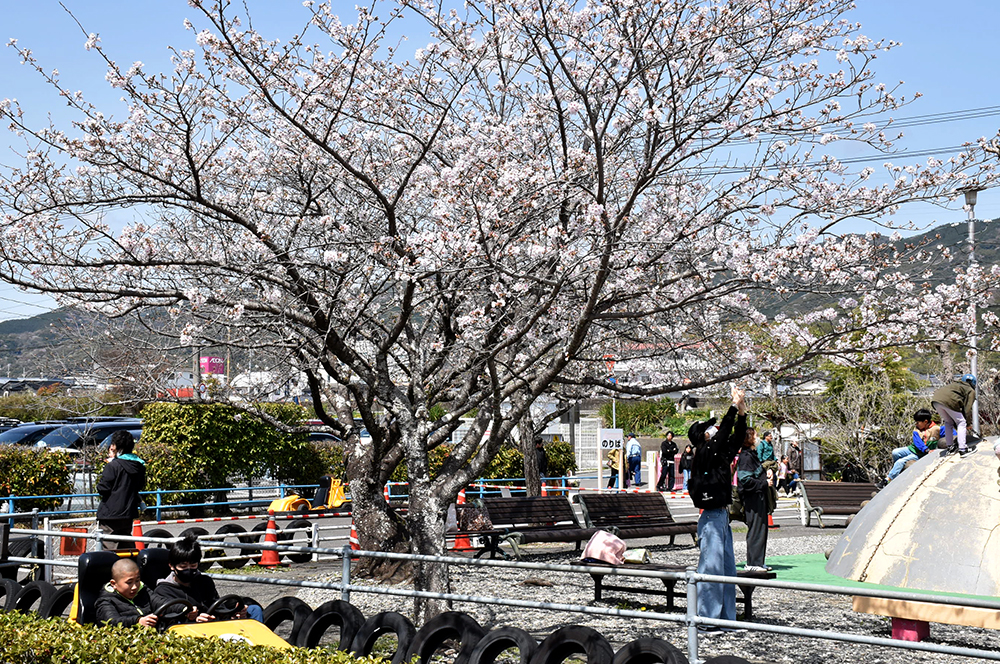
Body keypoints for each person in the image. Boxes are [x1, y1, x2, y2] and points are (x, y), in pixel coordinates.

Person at [687, 385, 748, 632]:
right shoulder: (704, 452)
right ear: (703, 436)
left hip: (722, 516)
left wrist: (741, 413)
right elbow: (724, 432)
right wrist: (733, 406)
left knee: (727, 570)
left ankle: (725, 619)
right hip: (711, 517)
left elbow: (736, 437)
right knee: (711, 569)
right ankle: (706, 620)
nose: (714, 430)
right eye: (709, 429)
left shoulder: (718, 454)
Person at [151, 535, 263, 622]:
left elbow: (217, 606)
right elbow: (170, 620)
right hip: (188, 630)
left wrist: (234, 613)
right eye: (183, 567)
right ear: (172, 566)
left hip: (214, 623)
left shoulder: (204, 582)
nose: (188, 570)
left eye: (193, 565)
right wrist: (195, 620)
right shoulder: (164, 590)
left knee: (254, 610)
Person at [96, 430, 147, 550]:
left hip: (110, 514)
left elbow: (103, 488)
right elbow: (140, 486)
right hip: (128, 512)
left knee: (108, 548)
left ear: (116, 446)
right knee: (126, 546)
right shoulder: (139, 466)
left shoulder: (113, 466)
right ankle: (130, 562)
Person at [738, 429, 772, 573]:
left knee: (761, 529)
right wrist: (764, 483)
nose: (758, 439)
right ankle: (752, 562)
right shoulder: (746, 456)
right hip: (752, 498)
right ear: (749, 439)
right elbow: (745, 479)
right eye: (755, 436)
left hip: (758, 496)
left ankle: (759, 561)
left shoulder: (752, 454)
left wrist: (767, 472)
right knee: (756, 529)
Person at [95, 558, 157, 628]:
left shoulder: (143, 590)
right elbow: (111, 622)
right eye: (129, 582)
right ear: (113, 584)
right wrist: (137, 621)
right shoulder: (106, 601)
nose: (134, 587)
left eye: (137, 581)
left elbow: (159, 601)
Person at [885, 409, 940, 484]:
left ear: (925, 421)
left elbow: (950, 431)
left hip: (919, 454)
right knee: (895, 452)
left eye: (918, 422)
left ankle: (888, 480)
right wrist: (926, 449)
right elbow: (918, 442)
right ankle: (899, 471)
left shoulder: (936, 429)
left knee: (900, 462)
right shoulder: (917, 429)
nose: (916, 424)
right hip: (913, 449)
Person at [932, 374, 978, 457]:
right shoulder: (970, 390)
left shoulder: (955, 385)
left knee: (948, 422)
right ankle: (963, 449)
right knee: (961, 422)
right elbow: (967, 409)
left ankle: (950, 447)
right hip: (948, 401)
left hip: (936, 400)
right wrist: (967, 423)